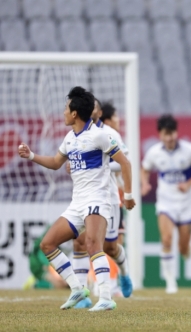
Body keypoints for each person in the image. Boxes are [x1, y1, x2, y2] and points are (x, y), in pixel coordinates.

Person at [18, 86, 135, 311]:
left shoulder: (100, 136)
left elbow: (125, 163)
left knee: (93, 244)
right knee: (48, 243)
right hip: (77, 203)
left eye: (65, 108)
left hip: (98, 200)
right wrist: (31, 156)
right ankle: (77, 289)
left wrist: (128, 196)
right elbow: (55, 162)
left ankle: (105, 297)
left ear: (74, 114)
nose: (63, 112)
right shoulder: (70, 138)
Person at [71, 98, 133, 309]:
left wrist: (100, 165)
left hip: (108, 197)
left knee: (110, 247)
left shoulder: (109, 134)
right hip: (84, 198)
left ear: (99, 112)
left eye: (97, 106)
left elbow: (125, 160)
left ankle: (124, 274)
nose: (94, 109)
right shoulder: (75, 135)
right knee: (80, 242)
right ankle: (81, 293)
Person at [141, 115, 191, 294]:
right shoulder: (154, 153)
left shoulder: (190, 150)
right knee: (166, 239)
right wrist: (144, 183)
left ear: (177, 132)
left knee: (183, 247)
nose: (170, 137)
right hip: (166, 203)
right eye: (166, 134)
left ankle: (185, 248)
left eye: (172, 133)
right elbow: (144, 169)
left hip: (187, 204)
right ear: (160, 134)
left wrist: (188, 184)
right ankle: (170, 281)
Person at [99, 101, 126, 247]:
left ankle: (122, 270)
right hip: (100, 197)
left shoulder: (113, 136)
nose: (119, 119)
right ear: (107, 121)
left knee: (115, 243)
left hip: (115, 197)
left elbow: (124, 164)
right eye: (115, 116)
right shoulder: (107, 135)